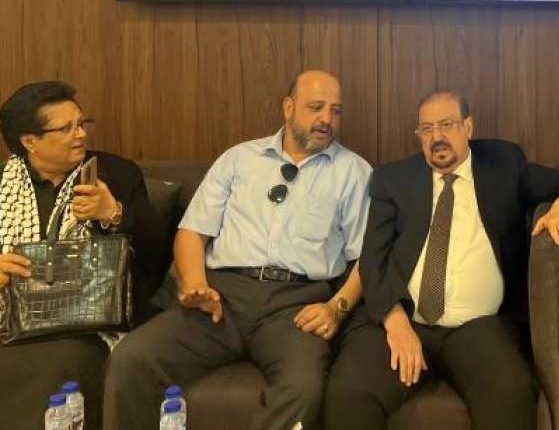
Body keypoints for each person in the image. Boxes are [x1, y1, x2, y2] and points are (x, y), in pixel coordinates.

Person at [103, 70, 372, 430]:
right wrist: (195, 284)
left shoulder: (354, 172)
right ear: (288, 107)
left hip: (295, 306)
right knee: (132, 358)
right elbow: (192, 232)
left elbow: (368, 257)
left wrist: (336, 308)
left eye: (336, 111)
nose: (327, 119)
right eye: (316, 107)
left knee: (303, 389)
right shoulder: (239, 159)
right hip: (221, 298)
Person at [324, 91, 559, 430]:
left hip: (480, 328)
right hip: (404, 318)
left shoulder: (504, 166)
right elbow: (373, 259)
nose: (436, 136)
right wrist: (395, 322)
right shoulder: (394, 180)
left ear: (468, 127)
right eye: (426, 129)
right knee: (348, 394)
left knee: (510, 393)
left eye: (447, 125)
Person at [0, 81, 161, 430]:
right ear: (30, 141)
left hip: (87, 327)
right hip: (9, 323)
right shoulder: (3, 185)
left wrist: (113, 213)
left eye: (82, 124)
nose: (81, 135)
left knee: (61, 364)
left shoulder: (116, 174)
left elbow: (157, 253)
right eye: (66, 128)